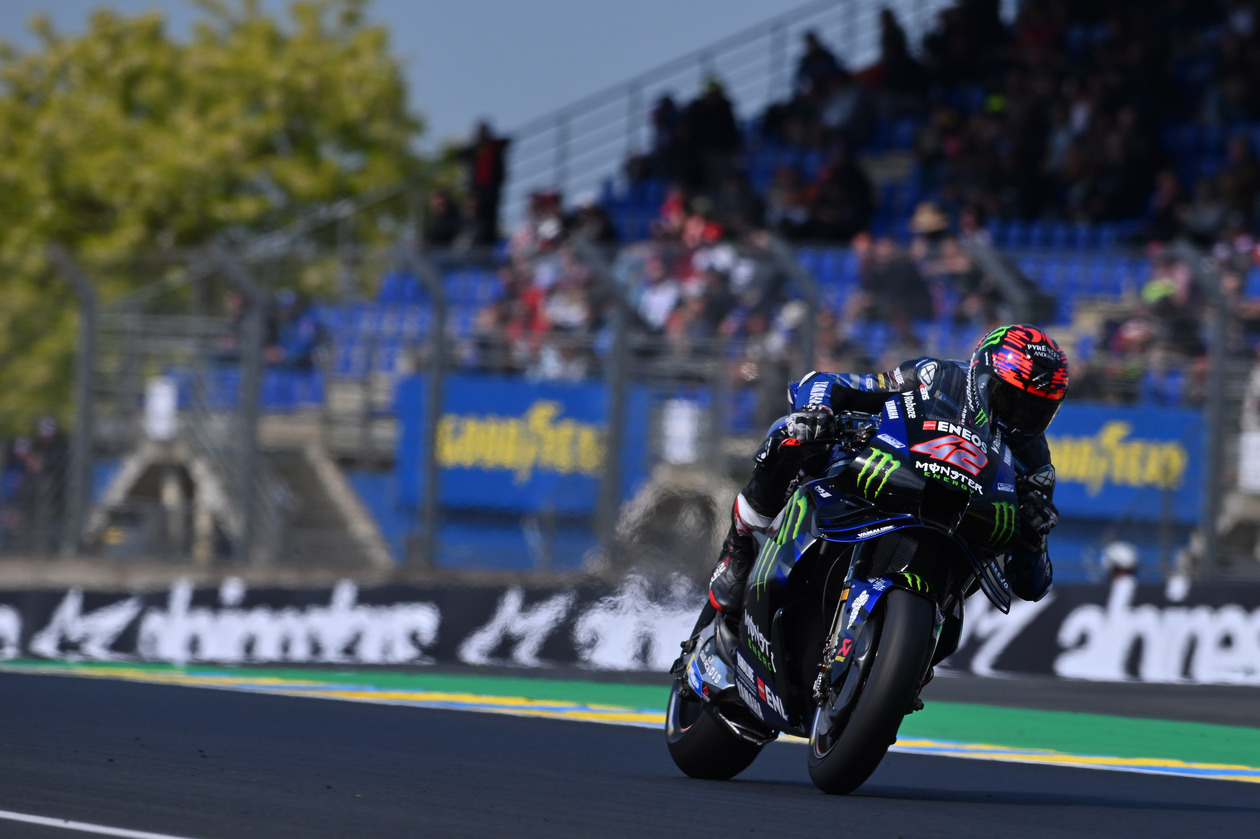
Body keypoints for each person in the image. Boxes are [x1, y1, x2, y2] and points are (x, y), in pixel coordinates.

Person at [704, 323, 1069, 626]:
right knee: (790, 434)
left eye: (1035, 413)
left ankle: (909, 655)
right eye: (1008, 400)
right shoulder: (937, 376)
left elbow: (1033, 585)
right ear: (981, 376)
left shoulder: (1036, 466)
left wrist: (1034, 541)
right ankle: (740, 542)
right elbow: (836, 383)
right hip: (887, 479)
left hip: (952, 551)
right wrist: (818, 410)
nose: (1019, 420)